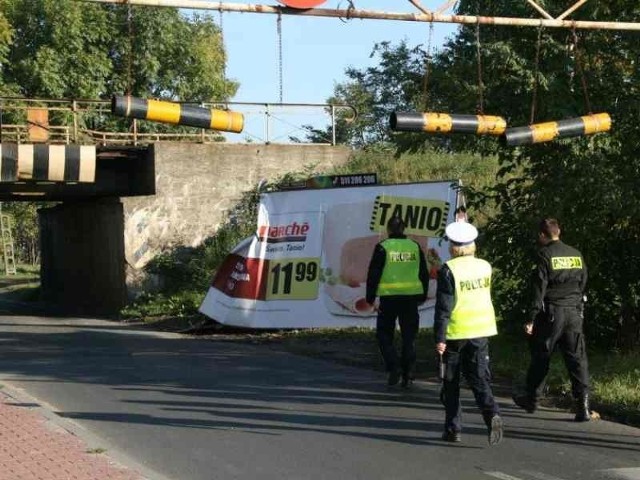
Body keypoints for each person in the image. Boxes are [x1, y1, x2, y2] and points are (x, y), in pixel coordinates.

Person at [513, 218, 591, 422]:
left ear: (542, 235)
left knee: (542, 356)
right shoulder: (576, 254)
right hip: (574, 312)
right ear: (559, 231)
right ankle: (583, 405)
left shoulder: (544, 255)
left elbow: (539, 289)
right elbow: (583, 281)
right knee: (576, 359)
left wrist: (531, 317)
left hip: (552, 314)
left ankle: (532, 399)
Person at [434, 220, 503, 446]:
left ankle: (453, 429)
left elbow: (444, 307)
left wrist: (440, 338)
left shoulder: (448, 270)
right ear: (472, 245)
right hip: (481, 330)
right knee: (479, 378)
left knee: (451, 383)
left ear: (454, 246)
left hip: (455, 333)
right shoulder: (485, 266)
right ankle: (492, 414)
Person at [366, 216, 430, 388]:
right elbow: (424, 272)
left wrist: (370, 298)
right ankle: (408, 373)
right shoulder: (414, 246)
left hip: (388, 299)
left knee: (384, 334)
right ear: (404, 229)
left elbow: (373, 274)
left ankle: (394, 366)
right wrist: (422, 296)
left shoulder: (382, 247)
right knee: (409, 337)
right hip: (410, 298)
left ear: (388, 229)